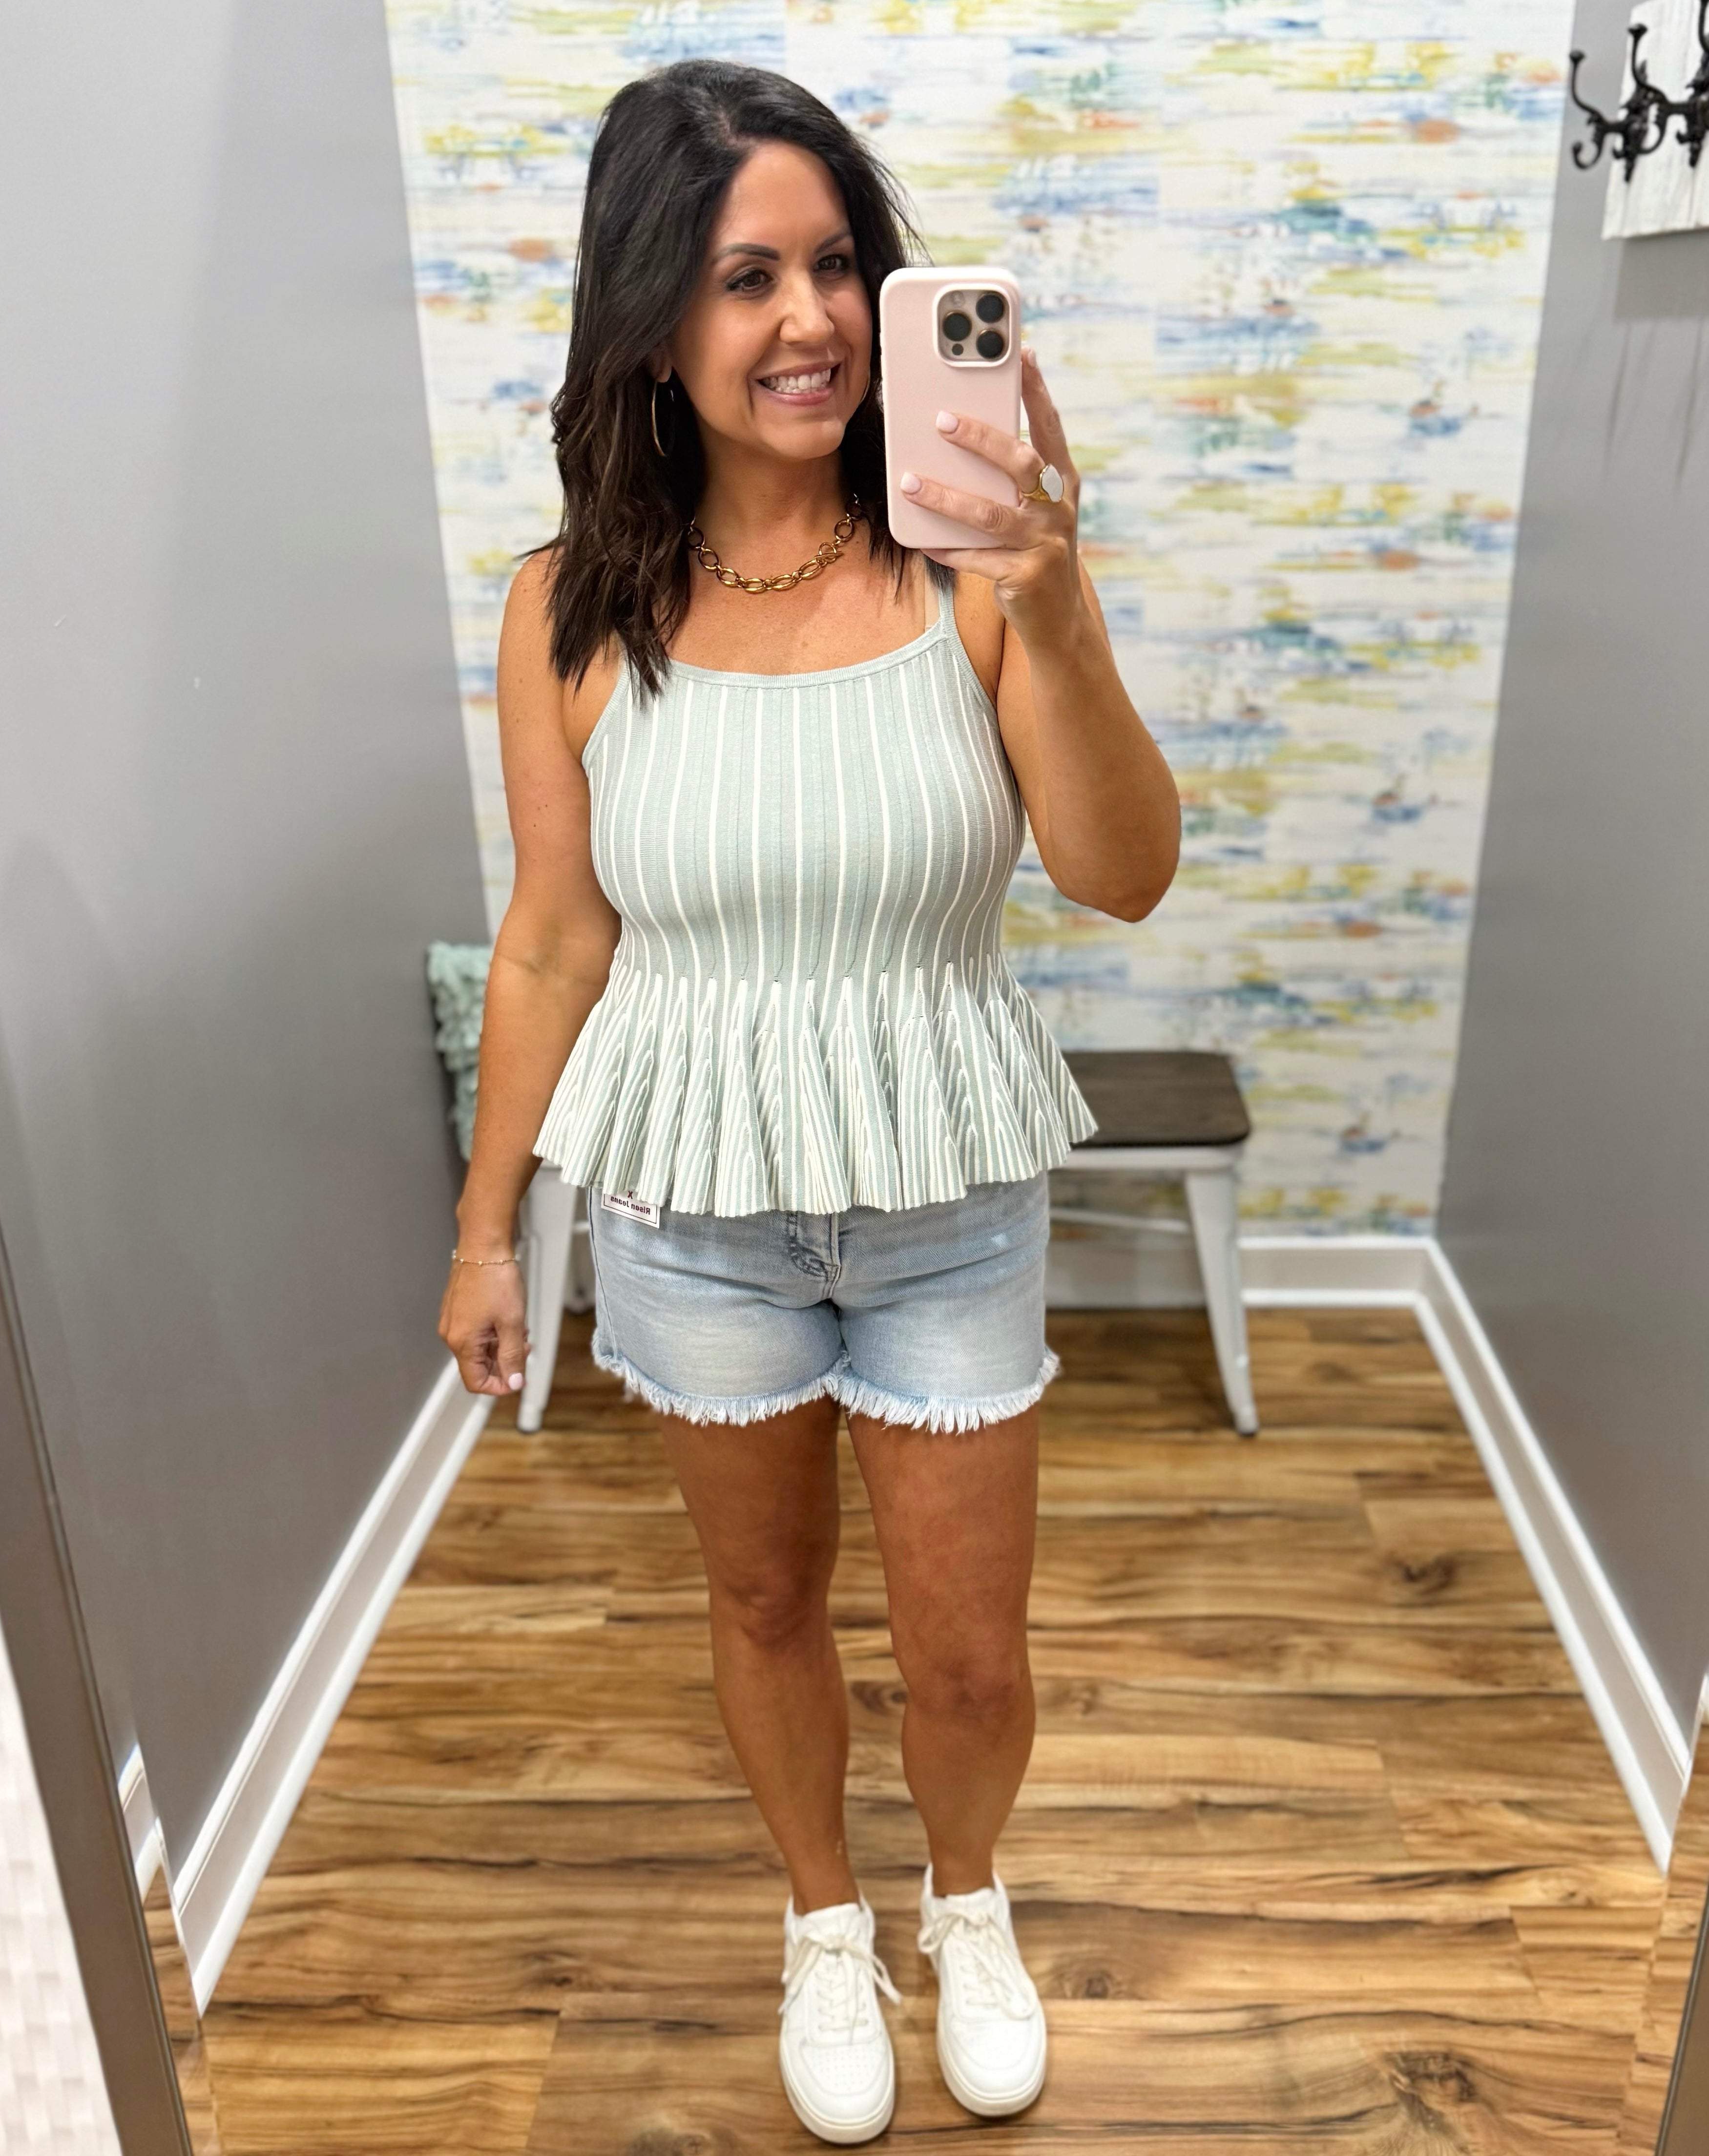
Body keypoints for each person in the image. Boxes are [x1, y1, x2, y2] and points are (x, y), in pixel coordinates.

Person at [438, 58, 1179, 2145]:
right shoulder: (566, 611)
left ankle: (966, 1898)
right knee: (758, 1603)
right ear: (651, 321)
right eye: (745, 274)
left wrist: (1059, 599)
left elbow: (1120, 872)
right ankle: (820, 1918)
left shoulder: (973, 574)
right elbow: (555, 947)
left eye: (839, 263)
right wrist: (490, 1228)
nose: (812, 319)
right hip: (695, 1212)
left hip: (942, 1186)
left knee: (969, 1658)